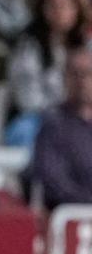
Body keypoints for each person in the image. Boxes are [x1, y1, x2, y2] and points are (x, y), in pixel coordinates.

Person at [5, 0, 91, 148]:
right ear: (42, 9)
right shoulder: (29, 46)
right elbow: (27, 99)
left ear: (77, 10)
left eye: (65, 6)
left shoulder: (85, 46)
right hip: (38, 118)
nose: (59, 12)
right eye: (53, 6)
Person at [32, 46, 92, 208]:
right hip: (72, 215)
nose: (82, 81)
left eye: (88, 74)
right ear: (65, 78)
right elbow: (54, 182)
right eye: (75, 74)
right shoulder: (54, 124)